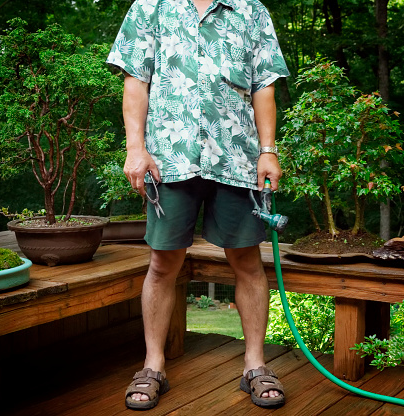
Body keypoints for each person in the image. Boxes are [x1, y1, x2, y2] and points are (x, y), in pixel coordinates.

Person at [107, 0, 290, 410]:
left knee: (247, 261)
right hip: (170, 158)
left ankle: (255, 366)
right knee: (162, 264)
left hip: (236, 157)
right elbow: (136, 81)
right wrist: (135, 149)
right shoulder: (149, 7)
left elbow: (264, 85)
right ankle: (153, 366)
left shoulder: (251, 10)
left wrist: (267, 150)